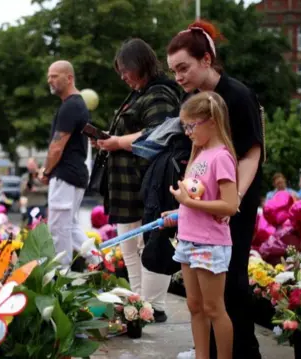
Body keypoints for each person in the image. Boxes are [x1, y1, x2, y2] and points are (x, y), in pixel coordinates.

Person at [167, 20, 264, 359]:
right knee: (202, 296)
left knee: (233, 280)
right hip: (202, 204)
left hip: (233, 199)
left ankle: (244, 352)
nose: (179, 77)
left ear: (206, 60)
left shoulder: (237, 95)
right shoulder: (193, 101)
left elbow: (253, 152)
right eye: (174, 71)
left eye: (184, 68)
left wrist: (233, 197)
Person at [95, 38, 183, 322]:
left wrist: (118, 142)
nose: (122, 76)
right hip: (124, 183)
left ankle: (154, 307)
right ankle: (137, 305)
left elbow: (162, 133)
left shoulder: (159, 94)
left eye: (125, 69)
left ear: (139, 64)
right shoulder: (137, 94)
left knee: (150, 243)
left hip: (146, 182)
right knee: (128, 246)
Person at [163, 91, 237, 359]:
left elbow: (230, 205)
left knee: (214, 308)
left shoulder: (221, 157)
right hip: (188, 239)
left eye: (192, 125)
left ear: (213, 121)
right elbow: (201, 199)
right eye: (185, 126)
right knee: (195, 306)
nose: (188, 132)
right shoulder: (200, 155)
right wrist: (179, 210)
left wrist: (189, 204)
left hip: (209, 243)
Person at [38, 60, 93, 267]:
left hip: (65, 175)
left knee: (59, 228)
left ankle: (61, 276)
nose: (49, 80)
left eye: (54, 76)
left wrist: (46, 171)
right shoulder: (75, 104)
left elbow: (57, 146)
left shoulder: (71, 106)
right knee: (69, 226)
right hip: (73, 175)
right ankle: (98, 260)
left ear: (69, 78)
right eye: (48, 76)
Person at [20, 157, 48, 224]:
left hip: (41, 205)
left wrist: (37, 189)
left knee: (40, 226)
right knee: (30, 227)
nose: (30, 167)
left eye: (31, 164)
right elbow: (22, 193)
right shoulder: (25, 177)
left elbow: (48, 188)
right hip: (30, 205)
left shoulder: (42, 175)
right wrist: (26, 187)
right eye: (29, 165)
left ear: (36, 164)